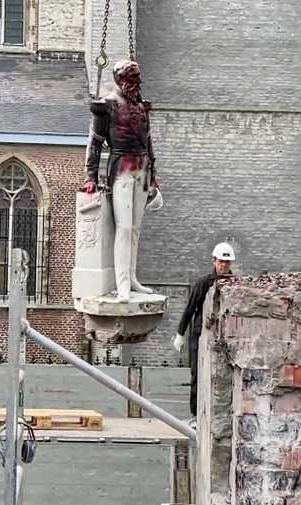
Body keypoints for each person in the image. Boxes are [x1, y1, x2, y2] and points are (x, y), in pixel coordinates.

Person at [81, 59, 162, 302]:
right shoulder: (108, 106)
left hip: (142, 168)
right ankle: (122, 283)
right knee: (124, 228)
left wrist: (154, 176)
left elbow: (148, 142)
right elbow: (95, 142)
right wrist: (90, 176)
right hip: (122, 169)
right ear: (120, 80)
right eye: (132, 79)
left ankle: (132, 278)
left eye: (137, 79)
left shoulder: (140, 105)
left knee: (135, 229)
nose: (136, 83)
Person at [173, 243, 235, 426]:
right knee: (197, 376)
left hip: (223, 337)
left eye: (227, 262)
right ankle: (195, 415)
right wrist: (180, 333)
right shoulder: (203, 283)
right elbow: (190, 309)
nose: (224, 265)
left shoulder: (234, 284)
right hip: (200, 336)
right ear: (214, 261)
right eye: (221, 261)